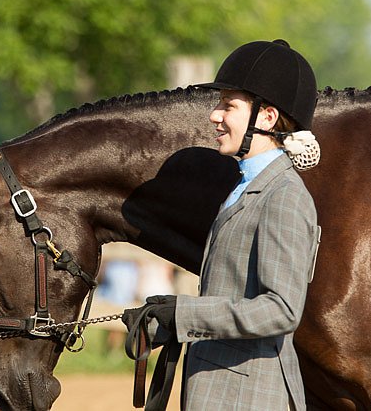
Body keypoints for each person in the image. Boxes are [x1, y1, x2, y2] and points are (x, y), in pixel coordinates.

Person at [123, 39, 322, 411]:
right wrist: (166, 316)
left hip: (251, 397)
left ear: (266, 117)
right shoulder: (243, 185)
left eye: (228, 105)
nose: (215, 115)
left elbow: (281, 310)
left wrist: (186, 313)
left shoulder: (284, 196)